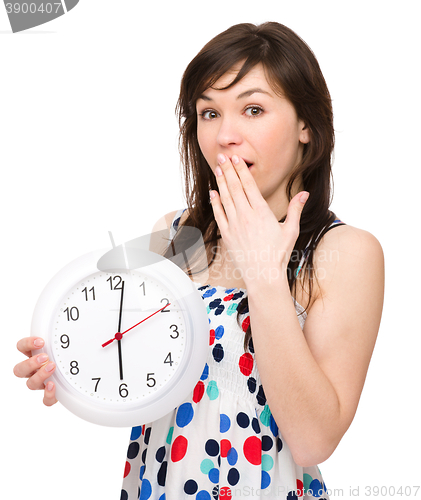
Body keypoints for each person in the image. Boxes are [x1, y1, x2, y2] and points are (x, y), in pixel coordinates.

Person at [13, 22, 384, 499]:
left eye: (253, 109)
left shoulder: (344, 251)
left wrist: (264, 274)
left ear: (307, 125)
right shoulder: (177, 233)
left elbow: (314, 440)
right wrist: (65, 366)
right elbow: (132, 363)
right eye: (209, 112)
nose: (225, 135)